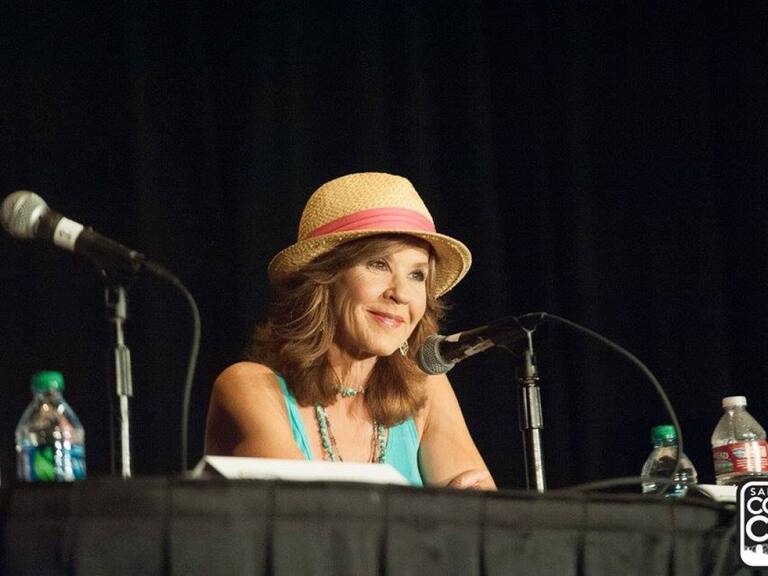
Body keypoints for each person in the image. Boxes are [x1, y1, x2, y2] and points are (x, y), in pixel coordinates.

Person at [204, 172, 496, 489]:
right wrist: (438, 511)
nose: (401, 294)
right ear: (324, 277)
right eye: (378, 264)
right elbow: (305, 514)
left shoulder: (425, 387)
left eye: (417, 275)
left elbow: (483, 514)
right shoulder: (247, 386)